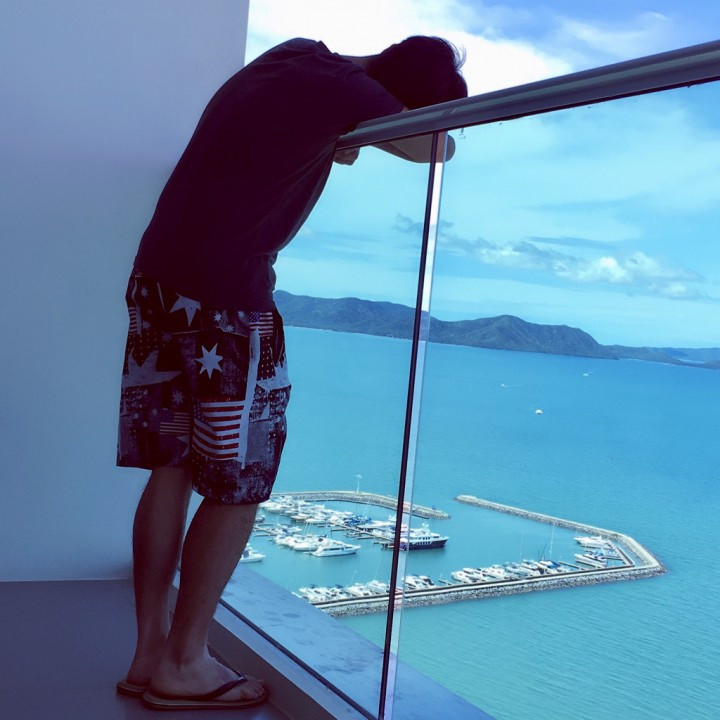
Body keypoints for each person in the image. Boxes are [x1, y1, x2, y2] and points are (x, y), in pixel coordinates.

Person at [116, 35, 467, 710]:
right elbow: (437, 147)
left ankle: (149, 653)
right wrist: (378, 121)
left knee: (172, 467)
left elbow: (278, 131)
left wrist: (343, 134)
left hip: (157, 281)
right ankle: (184, 666)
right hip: (226, 299)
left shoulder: (293, 55)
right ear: (399, 95)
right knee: (239, 484)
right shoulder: (348, 92)